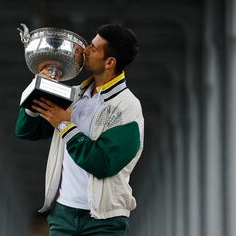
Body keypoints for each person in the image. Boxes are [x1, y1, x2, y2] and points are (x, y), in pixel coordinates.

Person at [15, 23, 144, 236]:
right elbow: (26, 130)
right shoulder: (75, 96)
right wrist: (40, 86)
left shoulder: (128, 107)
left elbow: (103, 164)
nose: (84, 50)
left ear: (110, 62)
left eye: (93, 48)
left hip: (105, 223)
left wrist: (64, 124)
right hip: (63, 216)